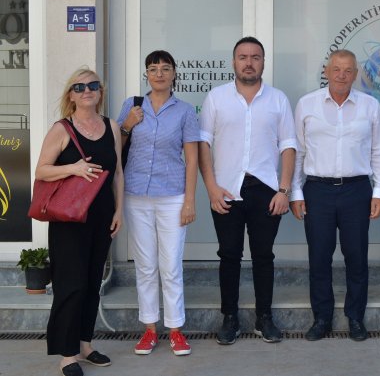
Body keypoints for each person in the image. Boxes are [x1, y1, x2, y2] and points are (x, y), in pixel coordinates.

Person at [199, 36, 296, 345]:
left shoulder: (278, 99)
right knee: (229, 255)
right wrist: (211, 188)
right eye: (243, 57)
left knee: (263, 256)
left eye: (255, 57)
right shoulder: (216, 98)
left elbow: (289, 146)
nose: (249, 62)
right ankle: (230, 317)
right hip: (226, 191)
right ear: (234, 62)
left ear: (263, 62)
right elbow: (203, 144)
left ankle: (264, 317)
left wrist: (284, 191)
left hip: (267, 190)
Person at [290, 50, 380, 342]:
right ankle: (322, 318)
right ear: (326, 71)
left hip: (357, 190)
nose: (341, 76)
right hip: (317, 190)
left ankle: (355, 317)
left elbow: (378, 152)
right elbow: (298, 152)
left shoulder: (370, 106)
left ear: (355, 74)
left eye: (348, 71)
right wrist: (296, 192)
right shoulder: (307, 104)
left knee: (356, 256)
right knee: (319, 257)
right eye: (336, 69)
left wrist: (378, 191)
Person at [35, 68, 123, 376]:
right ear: (71, 95)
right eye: (80, 86)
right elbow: (41, 170)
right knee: (70, 285)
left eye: (93, 85)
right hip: (70, 219)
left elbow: (117, 173)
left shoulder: (111, 126)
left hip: (102, 216)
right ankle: (67, 355)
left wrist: (119, 211)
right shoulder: (62, 129)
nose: (87, 90)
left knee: (92, 283)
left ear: (100, 92)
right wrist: (72, 168)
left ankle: (85, 345)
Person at [117, 50, 200, 356]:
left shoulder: (185, 111)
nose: (159, 74)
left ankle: (176, 329)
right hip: (136, 195)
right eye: (153, 69)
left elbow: (192, 160)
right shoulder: (132, 105)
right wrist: (127, 124)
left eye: (165, 68)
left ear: (175, 73)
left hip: (172, 197)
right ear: (146, 75)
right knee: (145, 265)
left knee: (170, 264)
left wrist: (189, 200)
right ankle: (150, 330)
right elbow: (115, 147)